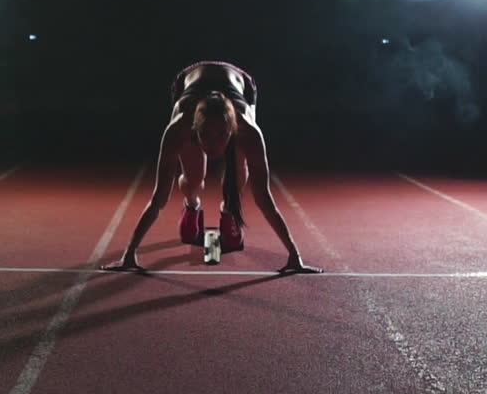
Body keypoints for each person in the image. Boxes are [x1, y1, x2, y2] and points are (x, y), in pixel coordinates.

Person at [102, 61, 322, 274]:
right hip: (186, 83)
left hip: (242, 84)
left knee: (236, 177)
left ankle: (229, 211)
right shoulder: (179, 127)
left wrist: (294, 255)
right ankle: (192, 204)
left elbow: (264, 198)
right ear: (195, 128)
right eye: (205, 134)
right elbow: (159, 198)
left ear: (231, 129)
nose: (213, 145)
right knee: (194, 179)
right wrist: (129, 253)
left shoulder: (248, 131)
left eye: (221, 136)